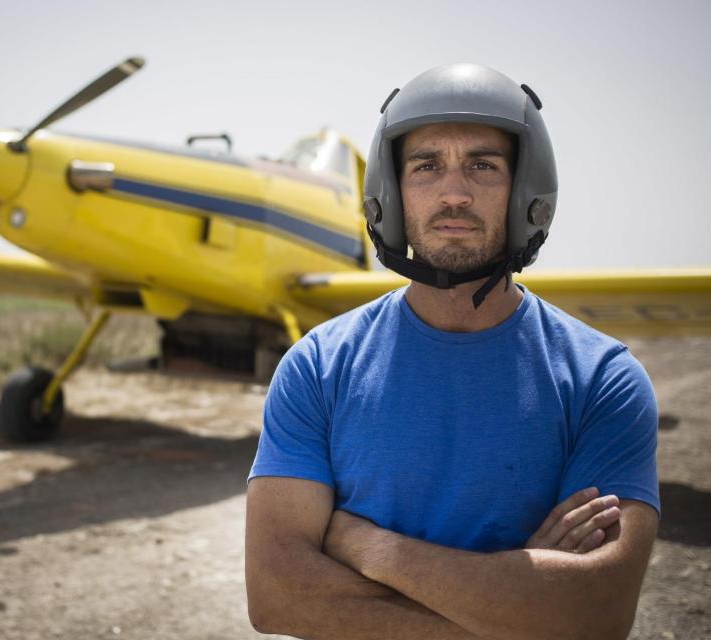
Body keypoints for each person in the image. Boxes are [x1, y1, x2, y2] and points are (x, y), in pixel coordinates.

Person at [245, 64, 659, 640]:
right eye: (426, 166)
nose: (455, 193)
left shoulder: (603, 379)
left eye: (483, 166)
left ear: (525, 189)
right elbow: (277, 597)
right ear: (391, 192)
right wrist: (519, 606)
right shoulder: (317, 367)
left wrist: (368, 547)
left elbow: (596, 614)